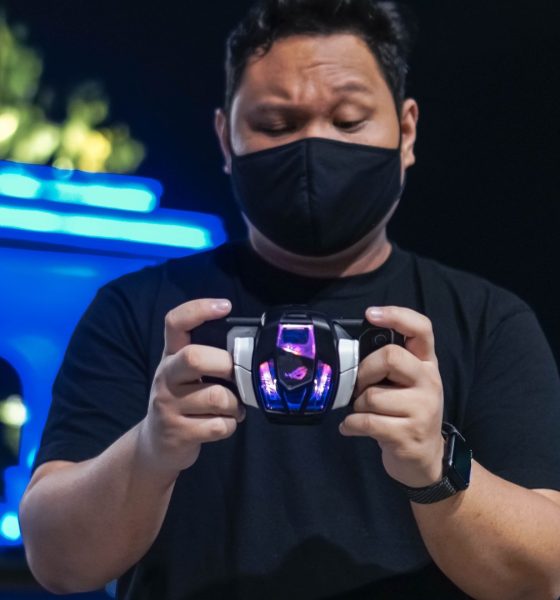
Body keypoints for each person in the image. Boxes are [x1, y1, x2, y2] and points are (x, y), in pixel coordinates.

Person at [18, 1, 560, 598]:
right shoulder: (140, 311)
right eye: (276, 126)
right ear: (225, 139)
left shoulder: (487, 323)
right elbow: (58, 561)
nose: (313, 149)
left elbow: (544, 574)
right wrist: (149, 452)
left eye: (348, 121)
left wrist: (436, 468)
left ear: (406, 132)